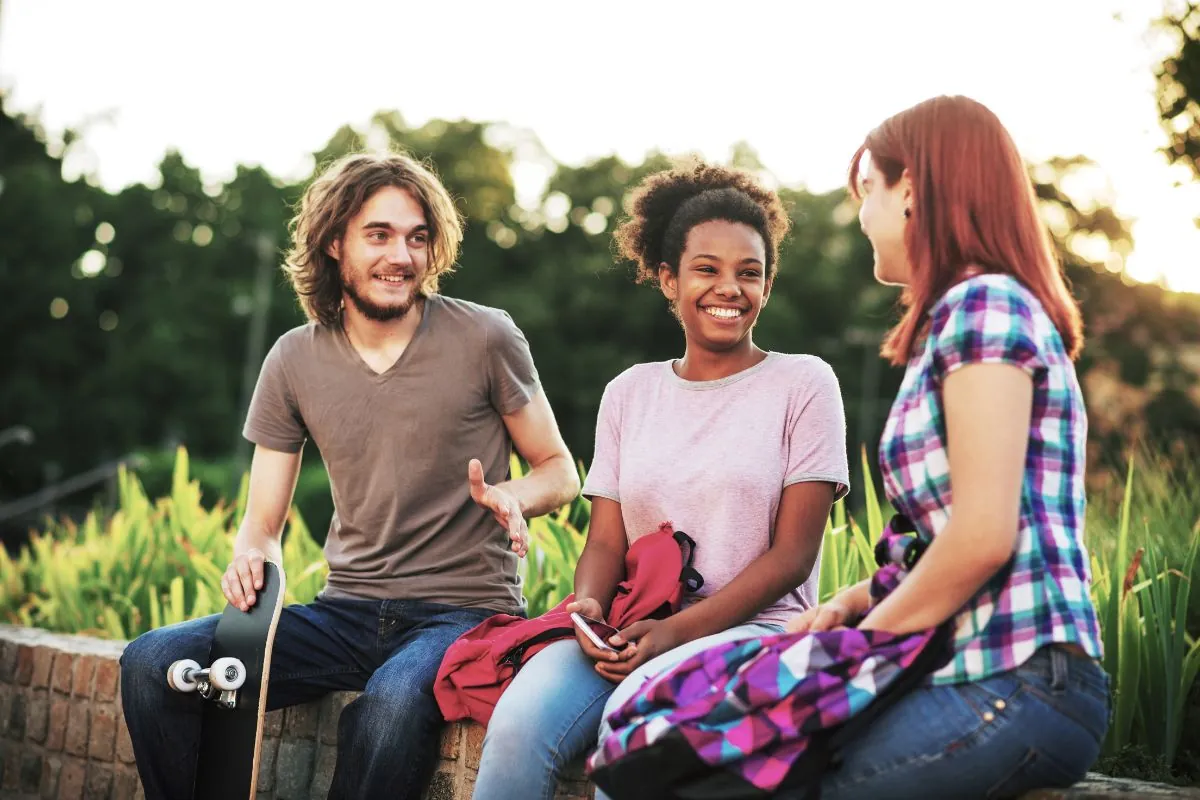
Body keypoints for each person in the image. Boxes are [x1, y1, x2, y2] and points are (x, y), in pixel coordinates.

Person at [118, 151, 581, 800]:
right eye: (380, 235)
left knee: (391, 707)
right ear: (334, 242)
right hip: (345, 612)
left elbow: (558, 470)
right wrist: (253, 560)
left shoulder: (485, 337)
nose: (403, 255)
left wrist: (513, 497)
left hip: (461, 613)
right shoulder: (293, 359)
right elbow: (263, 519)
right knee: (152, 663)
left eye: (418, 237)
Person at [472, 162, 850, 800]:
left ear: (768, 283)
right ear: (669, 280)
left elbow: (792, 558)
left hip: (754, 632)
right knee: (516, 722)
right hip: (634, 625)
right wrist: (589, 609)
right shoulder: (629, 393)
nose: (728, 288)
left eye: (748, 272)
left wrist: (674, 634)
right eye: (707, 269)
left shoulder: (805, 385)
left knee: (634, 729)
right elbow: (605, 543)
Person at [788, 95, 1108, 798]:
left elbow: (982, 538)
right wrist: (857, 598)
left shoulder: (985, 306)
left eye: (867, 189)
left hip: (1018, 677)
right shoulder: (966, 315)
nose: (862, 213)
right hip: (979, 671)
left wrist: (849, 655)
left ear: (913, 190)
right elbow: (953, 536)